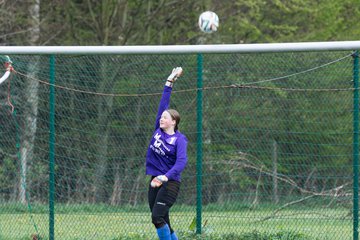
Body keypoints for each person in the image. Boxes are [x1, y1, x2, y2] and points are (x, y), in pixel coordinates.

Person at [146, 67, 188, 240]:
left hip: (169, 183)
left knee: (157, 218)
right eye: (161, 117)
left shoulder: (180, 140)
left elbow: (181, 163)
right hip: (154, 179)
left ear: (173, 121)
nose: (161, 119)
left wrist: (165, 177)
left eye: (165, 117)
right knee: (164, 220)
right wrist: (170, 80)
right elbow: (164, 102)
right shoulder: (159, 130)